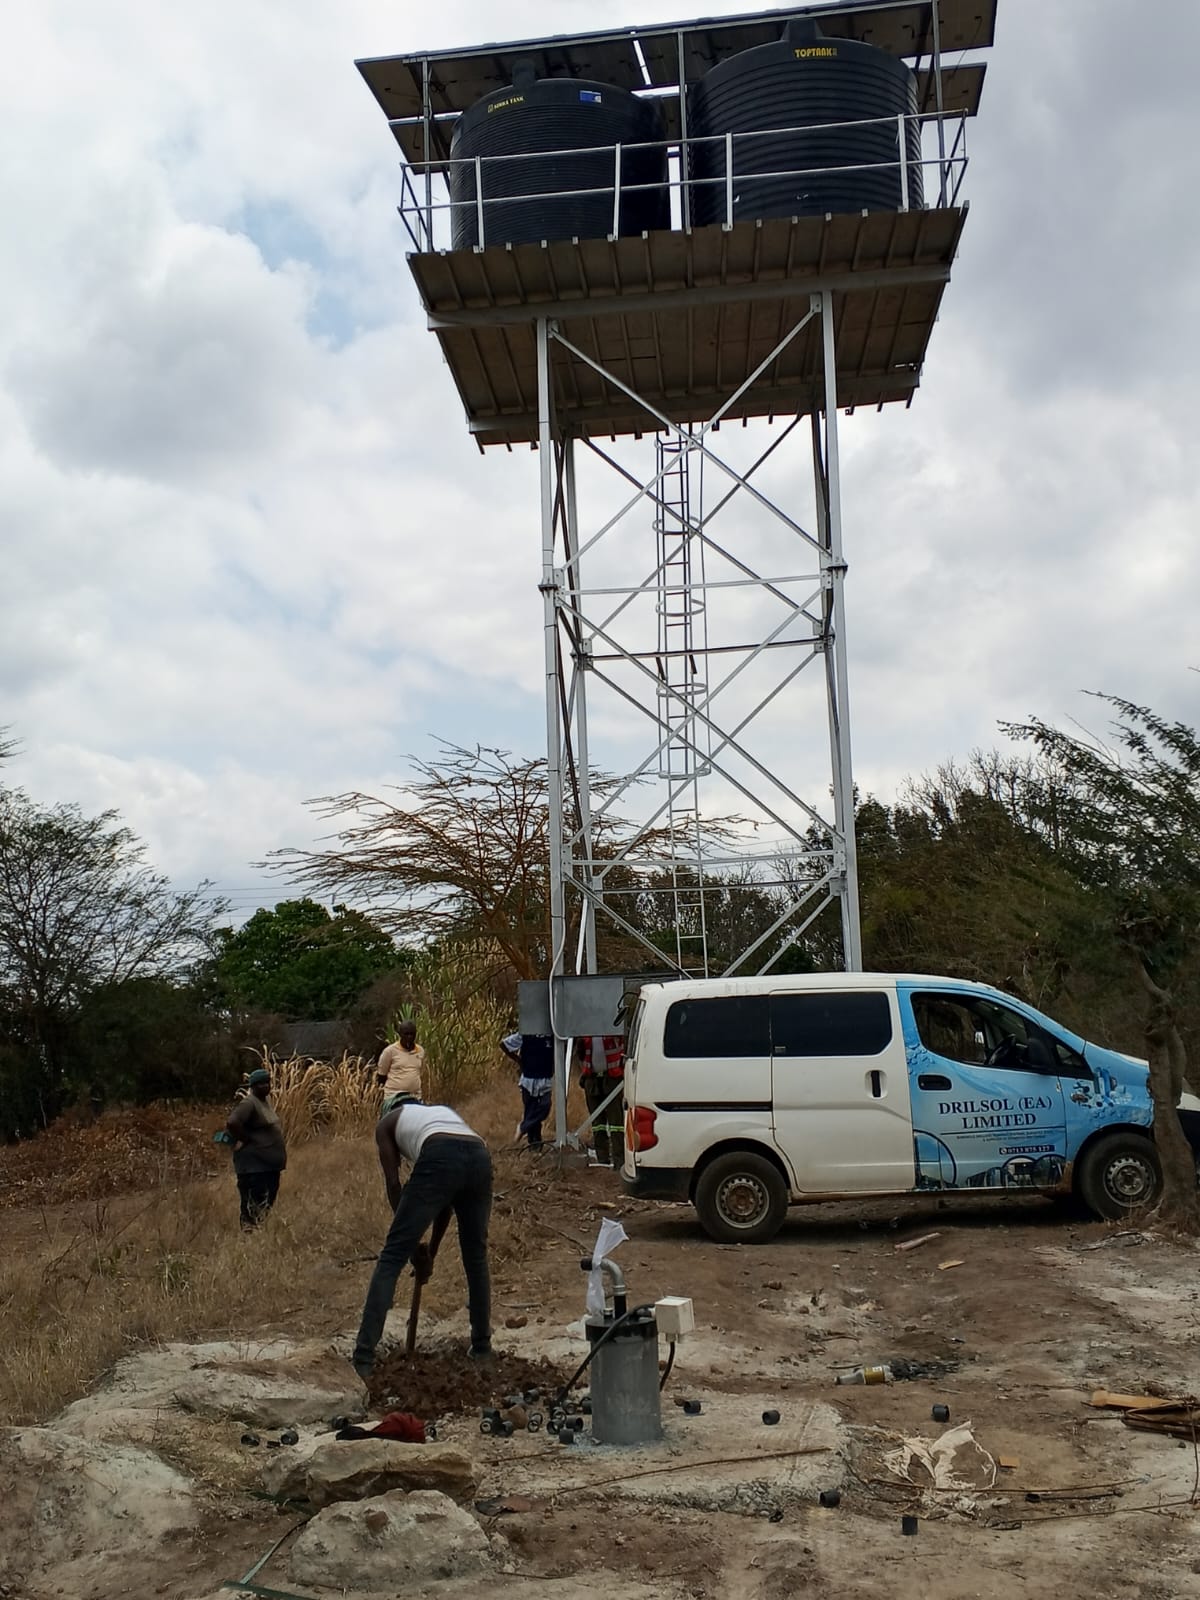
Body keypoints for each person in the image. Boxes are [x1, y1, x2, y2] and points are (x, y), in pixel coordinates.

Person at [353, 1101, 493, 1379]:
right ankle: (482, 1347)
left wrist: (409, 1247)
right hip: (479, 1156)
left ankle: (363, 1358)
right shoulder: (438, 1115)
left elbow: (394, 1184)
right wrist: (427, 1252)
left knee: (391, 1258)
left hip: (440, 1154)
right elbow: (446, 1200)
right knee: (476, 1257)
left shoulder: (386, 1125)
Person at [225, 1067, 287, 1228]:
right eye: (261, 1084)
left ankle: (258, 1232)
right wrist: (245, 1139)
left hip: (267, 1167)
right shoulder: (249, 1103)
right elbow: (232, 1122)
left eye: (267, 1082)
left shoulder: (264, 1102)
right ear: (252, 1086)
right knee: (253, 1205)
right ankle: (249, 1233)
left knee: (265, 1204)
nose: (266, 1086)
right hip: (254, 1168)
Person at [576, 1034, 626, 1167]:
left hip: (612, 1079)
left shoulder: (612, 1029)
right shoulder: (585, 1033)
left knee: (616, 1122)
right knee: (598, 1123)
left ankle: (619, 1160)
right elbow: (581, 1055)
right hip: (592, 1080)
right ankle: (602, 1159)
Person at [500, 1031, 553, 1150]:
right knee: (530, 1111)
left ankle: (523, 1127)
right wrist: (518, 1060)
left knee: (544, 1107)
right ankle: (535, 1145)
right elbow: (504, 1044)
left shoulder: (550, 1034)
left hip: (545, 1078)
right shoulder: (525, 1034)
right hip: (528, 1079)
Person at [375, 1018, 425, 1113]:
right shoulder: (390, 1051)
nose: (409, 1037)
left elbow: (419, 1072)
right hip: (394, 1097)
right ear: (400, 1034)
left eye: (412, 1034)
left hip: (415, 1096)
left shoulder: (420, 1051)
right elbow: (381, 1076)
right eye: (406, 1034)